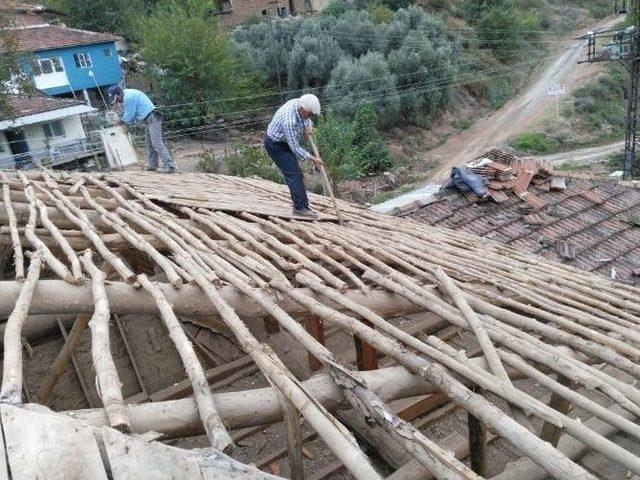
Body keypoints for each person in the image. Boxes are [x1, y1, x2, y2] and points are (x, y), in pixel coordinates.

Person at [264, 94, 324, 217]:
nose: (310, 117)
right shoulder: (289, 121)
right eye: (309, 114)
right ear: (302, 109)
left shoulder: (301, 104)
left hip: (285, 142)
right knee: (295, 174)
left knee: (296, 174)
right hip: (275, 145)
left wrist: (309, 128)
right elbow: (295, 148)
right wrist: (313, 159)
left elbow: (306, 120)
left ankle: (302, 205)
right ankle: (300, 208)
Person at [108, 86, 177, 173]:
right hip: (148, 119)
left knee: (156, 143)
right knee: (150, 144)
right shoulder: (126, 95)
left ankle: (170, 167)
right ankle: (153, 165)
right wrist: (124, 122)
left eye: (116, 99)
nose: (117, 101)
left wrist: (121, 122)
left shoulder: (128, 97)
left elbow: (129, 115)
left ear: (119, 93)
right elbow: (131, 115)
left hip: (152, 118)